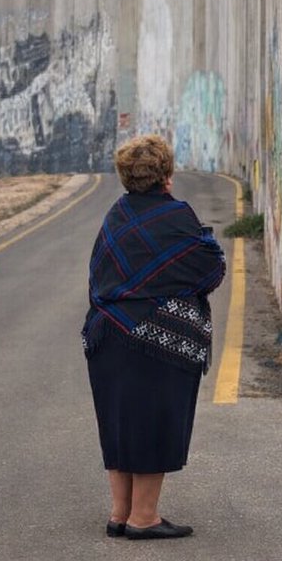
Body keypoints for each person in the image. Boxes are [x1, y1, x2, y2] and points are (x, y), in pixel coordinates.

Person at [81, 134, 225, 540]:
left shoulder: (115, 214)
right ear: (166, 175)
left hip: (105, 332)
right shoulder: (177, 215)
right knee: (153, 422)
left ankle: (119, 513)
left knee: (119, 420)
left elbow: (99, 272)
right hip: (157, 339)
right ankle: (143, 518)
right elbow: (209, 269)